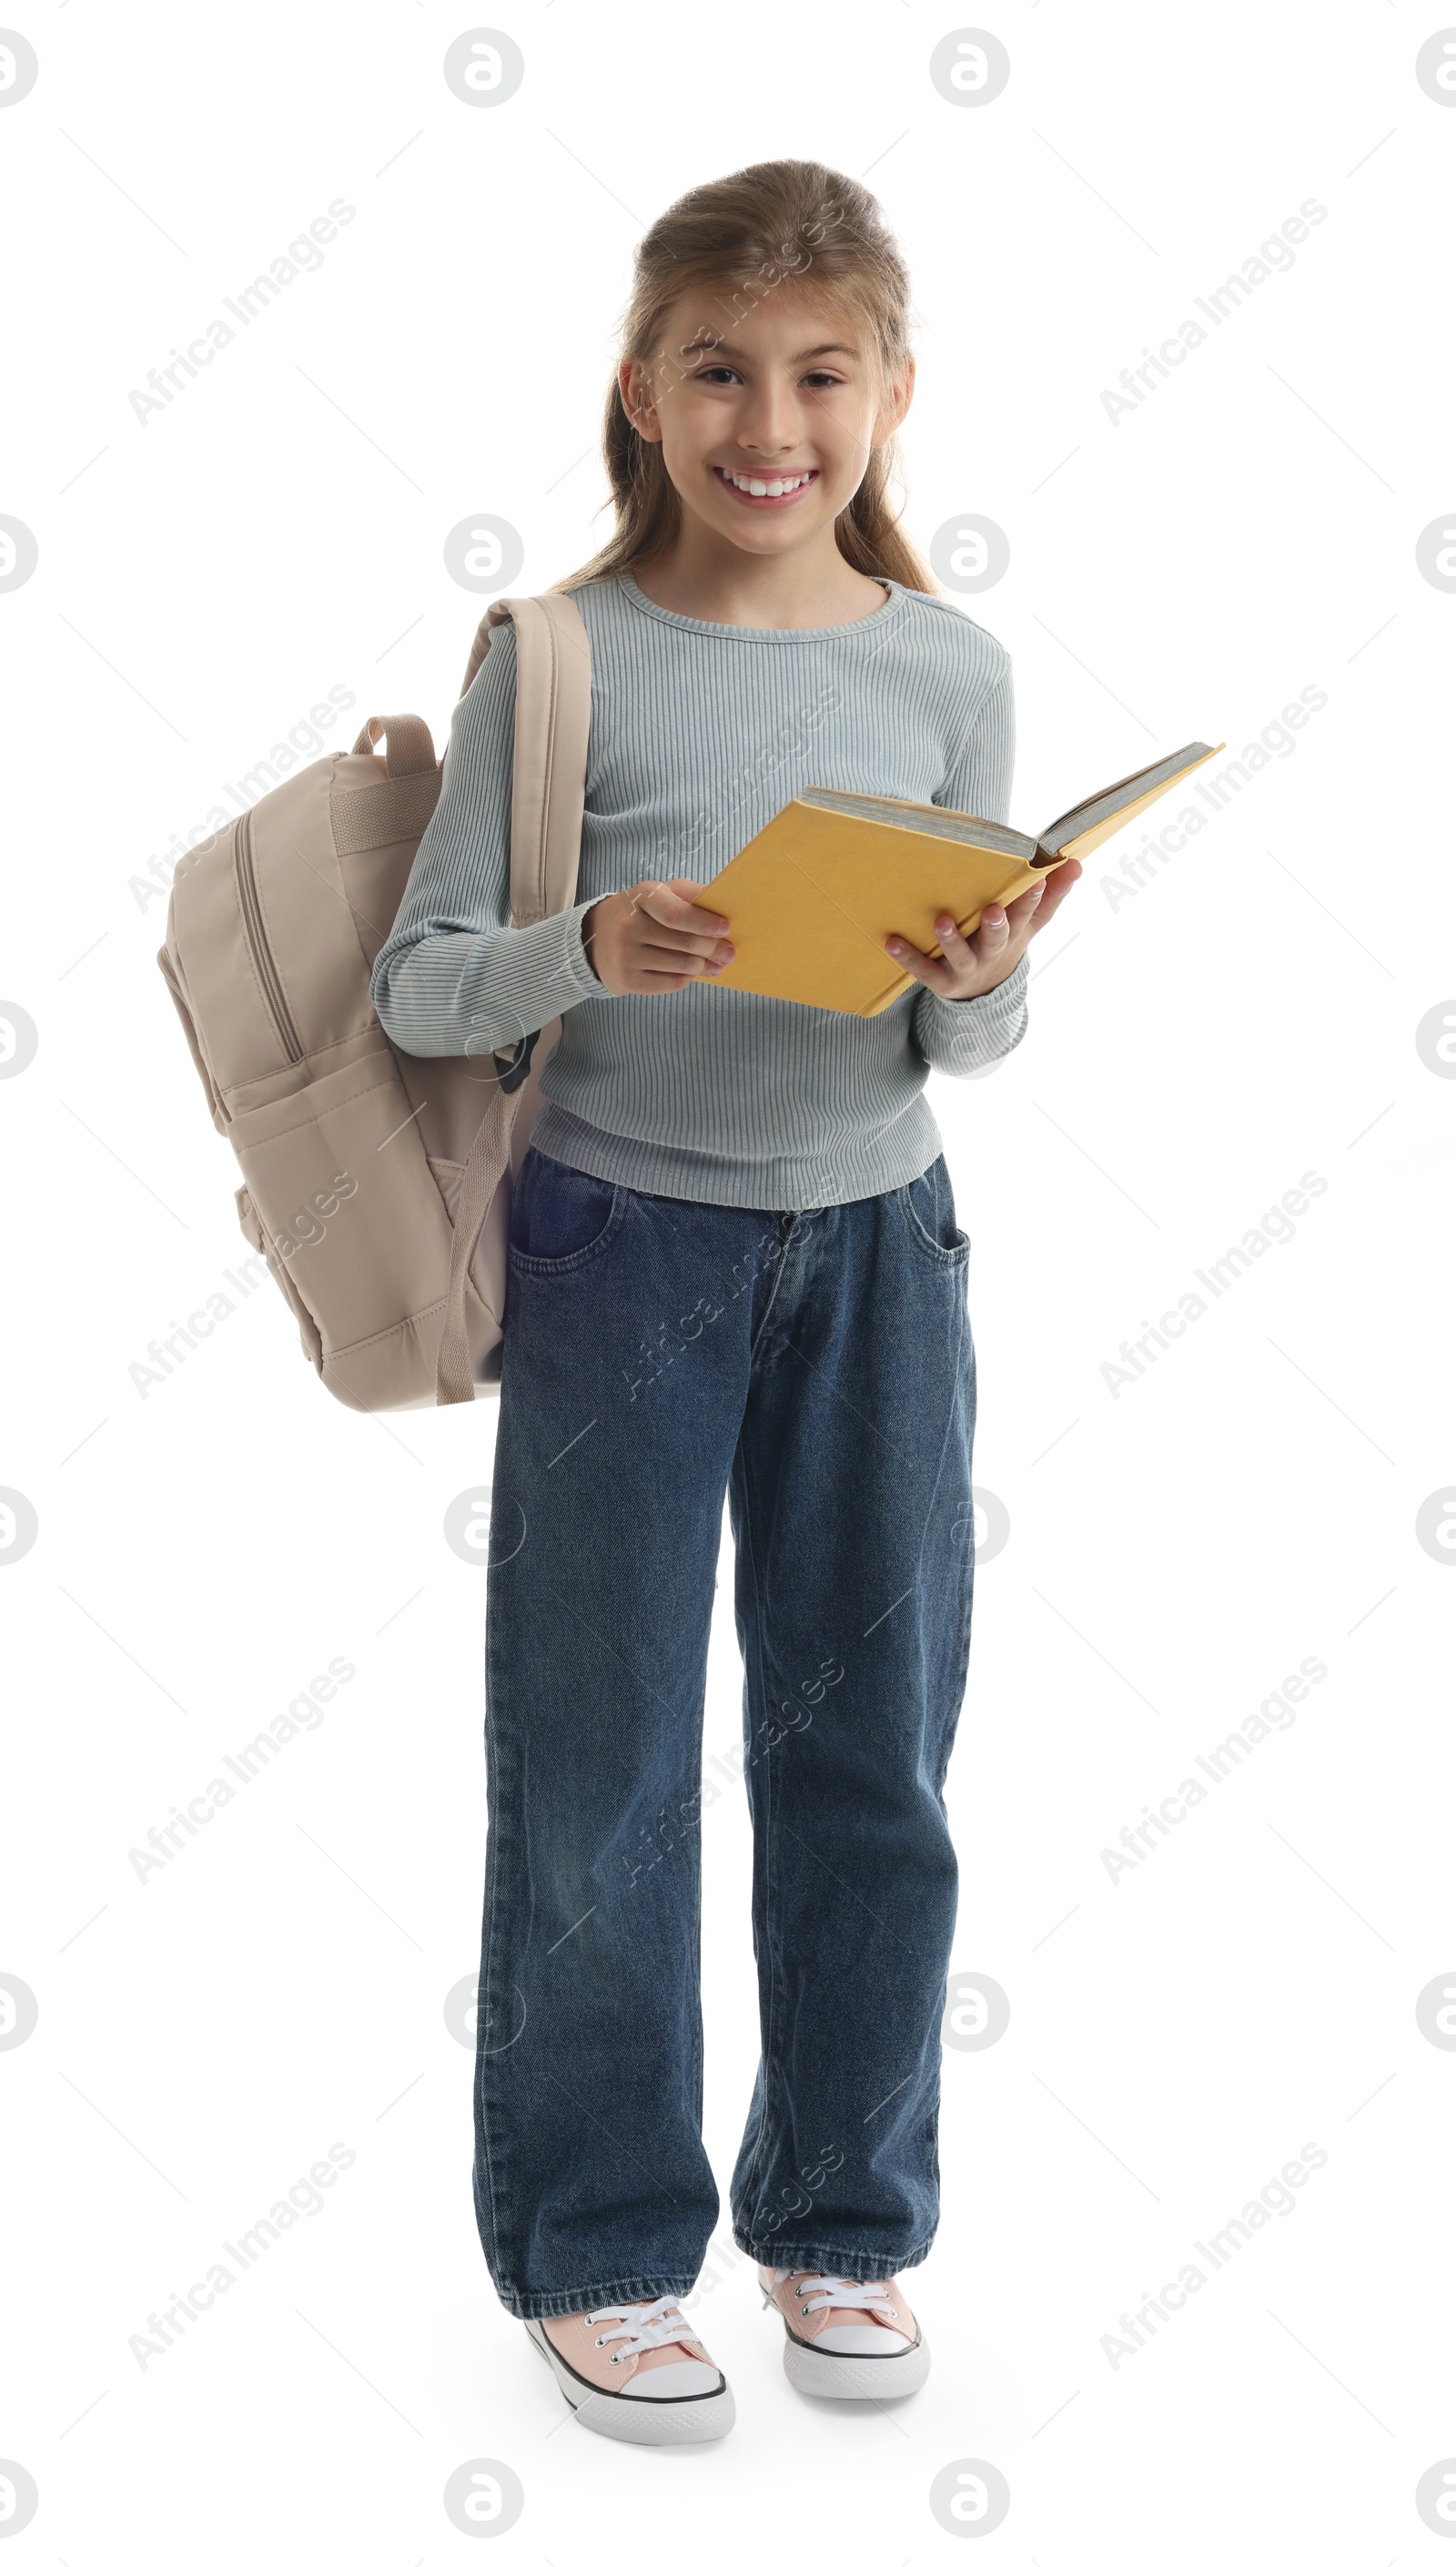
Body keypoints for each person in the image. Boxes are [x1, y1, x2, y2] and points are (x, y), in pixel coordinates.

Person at [370, 156, 1079, 2446]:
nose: (768, 424)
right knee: (598, 1770)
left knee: (865, 1751)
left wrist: (980, 981)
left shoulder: (948, 668)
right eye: (718, 371)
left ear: (887, 391)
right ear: (639, 388)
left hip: (879, 1243)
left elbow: (959, 1042)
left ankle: (843, 2224)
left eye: (817, 375)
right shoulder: (559, 660)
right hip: (619, 1248)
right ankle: (597, 2248)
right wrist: (594, 942)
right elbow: (417, 989)